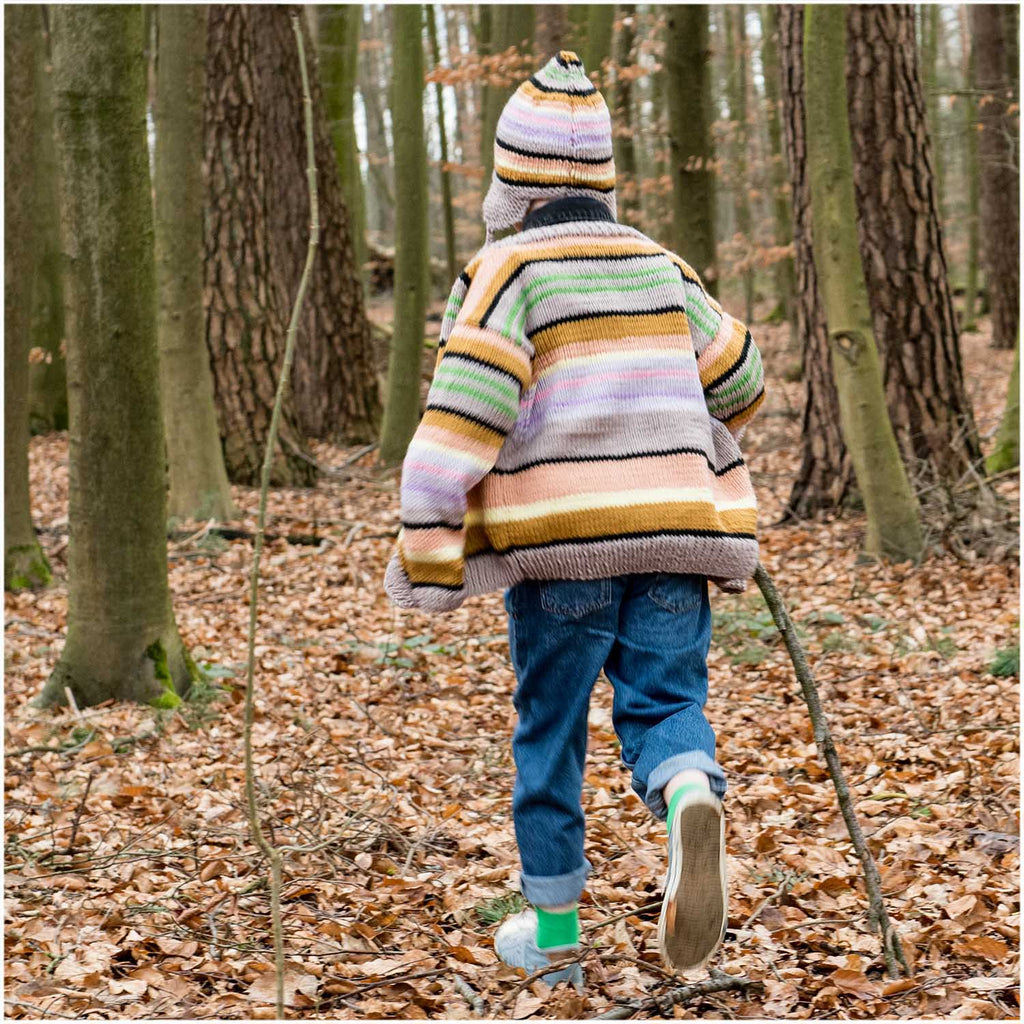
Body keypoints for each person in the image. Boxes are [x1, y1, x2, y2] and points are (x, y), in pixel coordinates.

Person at [384, 50, 765, 989]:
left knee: (549, 729)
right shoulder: (658, 265)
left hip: (560, 555)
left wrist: (426, 540)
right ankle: (685, 795)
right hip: (674, 531)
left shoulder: (506, 272)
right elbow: (743, 379)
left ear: (511, 179)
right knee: (668, 706)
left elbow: (466, 412)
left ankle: (556, 947)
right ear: (602, 177)